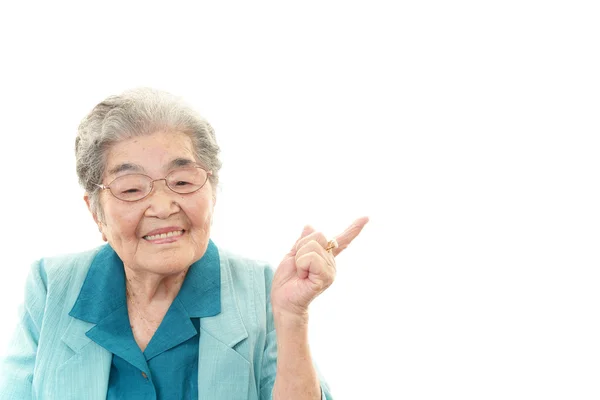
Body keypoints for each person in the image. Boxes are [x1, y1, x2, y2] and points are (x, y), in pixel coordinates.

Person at [0, 88, 369, 399]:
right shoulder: (51, 286)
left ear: (212, 192)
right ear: (96, 213)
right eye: (131, 189)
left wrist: (292, 317)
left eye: (182, 181)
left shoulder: (262, 289)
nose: (163, 207)